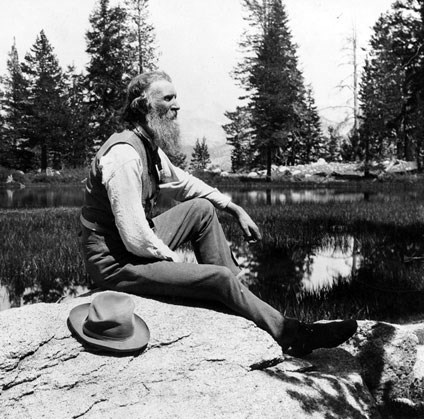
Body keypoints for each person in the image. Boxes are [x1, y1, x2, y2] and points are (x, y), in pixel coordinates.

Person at [79, 70, 357, 357]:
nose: (177, 106)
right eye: (168, 98)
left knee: (202, 209)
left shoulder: (147, 145)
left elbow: (183, 184)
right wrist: (179, 266)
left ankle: (237, 296)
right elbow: (135, 237)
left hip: (131, 246)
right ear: (143, 105)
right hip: (114, 262)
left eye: (177, 98)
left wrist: (233, 207)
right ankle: (292, 334)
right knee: (217, 278)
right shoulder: (124, 155)